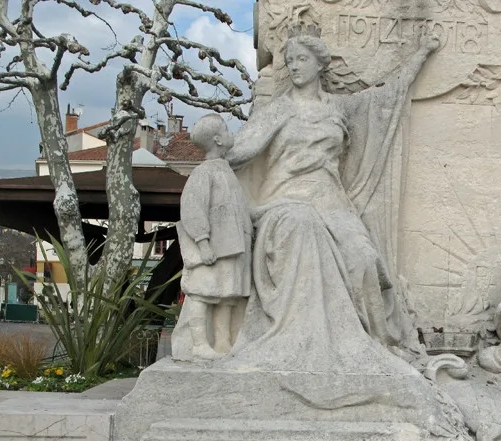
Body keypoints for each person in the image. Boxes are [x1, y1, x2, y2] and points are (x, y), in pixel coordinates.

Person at [222, 28, 440, 409]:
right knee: (302, 228)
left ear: (320, 65)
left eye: (301, 60)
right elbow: (241, 150)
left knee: (364, 260)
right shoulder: (279, 110)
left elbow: (385, 97)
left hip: (331, 199)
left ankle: (377, 344)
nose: (294, 67)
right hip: (286, 197)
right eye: (289, 61)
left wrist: (421, 54)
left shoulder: (338, 108)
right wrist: (213, 156)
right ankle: (305, 341)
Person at [172, 114, 252, 361]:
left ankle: (223, 342)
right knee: (202, 294)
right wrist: (203, 241)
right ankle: (198, 344)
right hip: (213, 249)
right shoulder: (204, 172)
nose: (231, 133)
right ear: (217, 139)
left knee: (227, 295)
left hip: (232, 247)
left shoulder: (225, 170)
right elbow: (192, 208)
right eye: (226, 129)